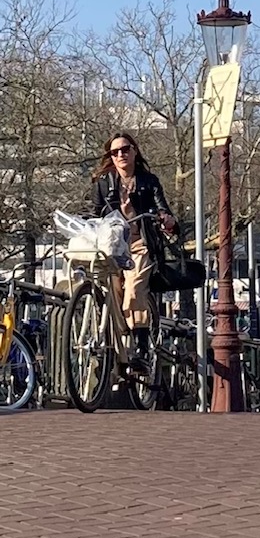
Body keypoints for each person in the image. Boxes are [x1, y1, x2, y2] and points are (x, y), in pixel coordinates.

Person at [85, 133, 178, 365]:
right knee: (112, 294)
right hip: (112, 246)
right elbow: (92, 211)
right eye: (114, 152)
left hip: (140, 244)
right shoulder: (103, 181)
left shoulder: (149, 181)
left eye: (125, 149)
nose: (120, 155)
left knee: (134, 290)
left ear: (134, 150)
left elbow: (163, 209)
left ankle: (142, 349)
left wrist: (166, 219)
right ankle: (116, 352)